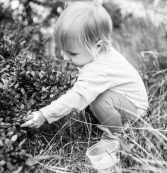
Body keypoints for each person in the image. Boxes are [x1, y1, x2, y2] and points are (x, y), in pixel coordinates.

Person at [21, 1, 149, 172]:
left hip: (136, 111)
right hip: (126, 101)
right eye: (62, 49)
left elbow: (77, 95)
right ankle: (109, 122)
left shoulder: (98, 70)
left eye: (72, 53)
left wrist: (45, 114)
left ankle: (116, 136)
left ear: (98, 46)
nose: (64, 57)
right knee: (95, 98)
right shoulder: (99, 51)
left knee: (99, 102)